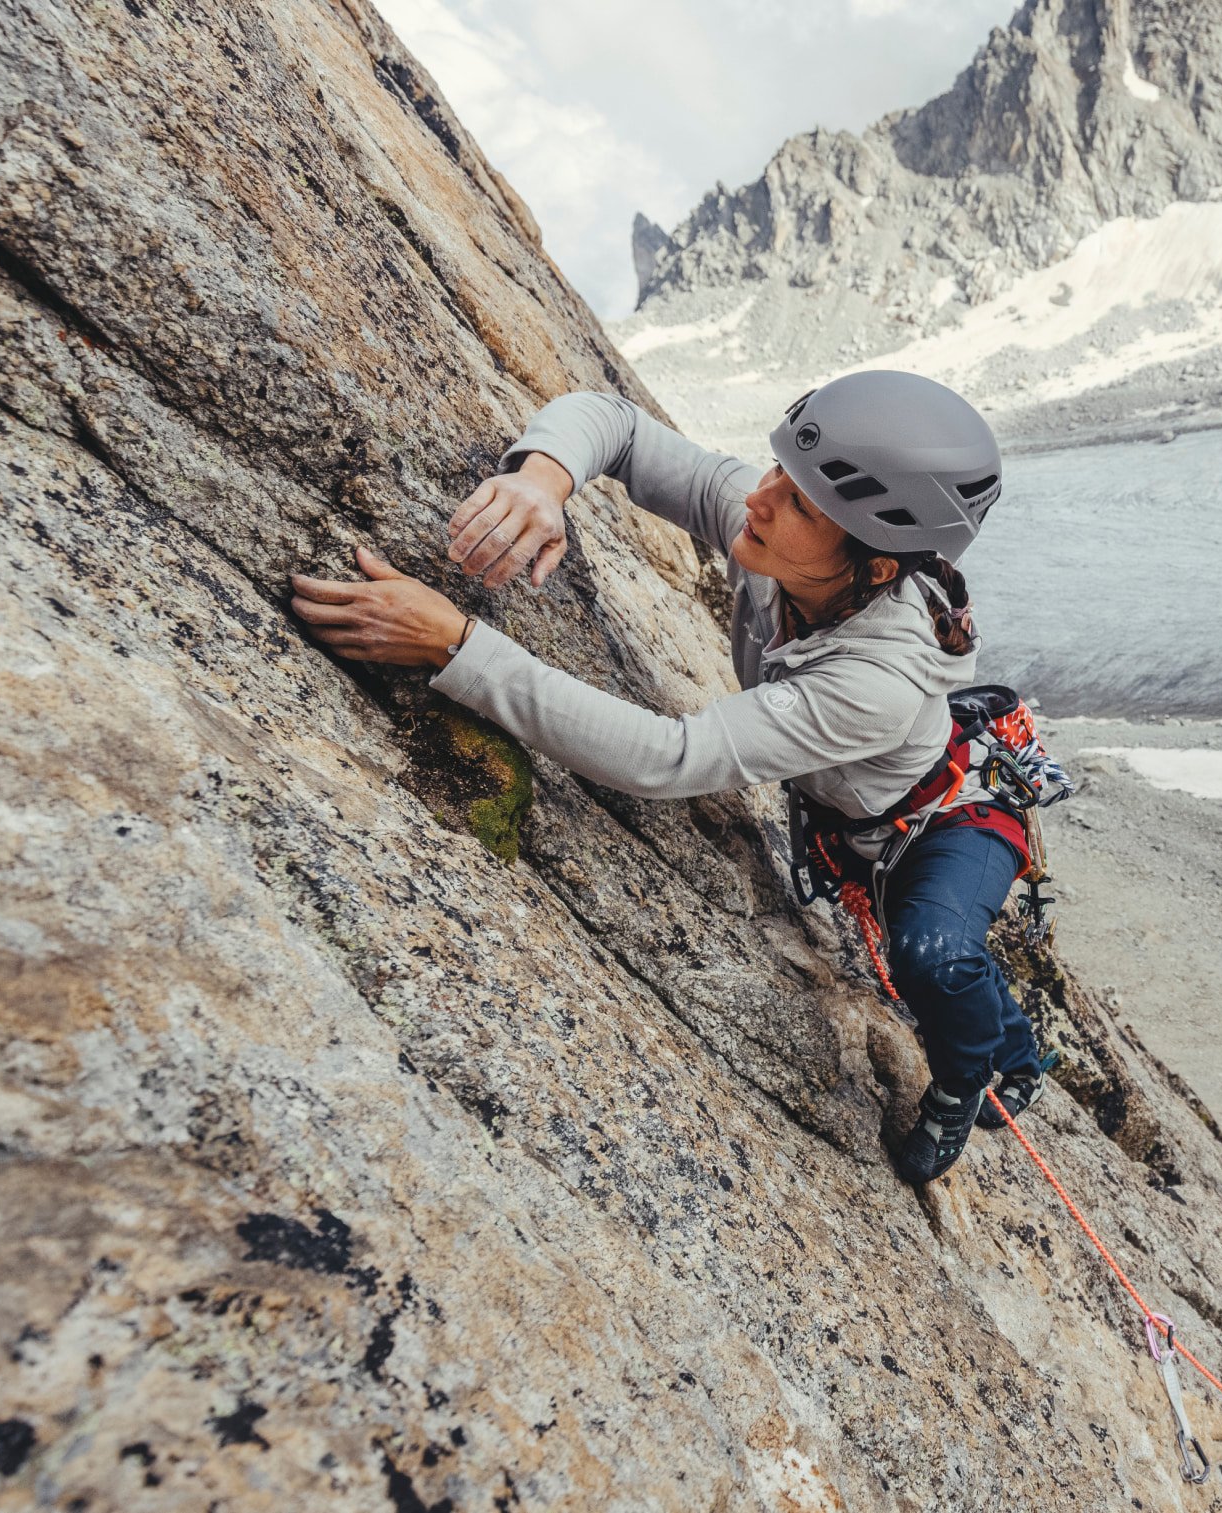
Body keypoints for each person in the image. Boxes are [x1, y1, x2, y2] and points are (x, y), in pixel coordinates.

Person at [288, 371, 1043, 1184]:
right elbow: (618, 426)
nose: (760, 499)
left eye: (801, 505)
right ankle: (1017, 1047)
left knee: (932, 954)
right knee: (939, 954)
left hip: (941, 824)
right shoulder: (784, 541)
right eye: (778, 471)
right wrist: (541, 480)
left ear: (877, 569)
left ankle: (972, 1079)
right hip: (864, 817)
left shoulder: (876, 680)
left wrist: (457, 648)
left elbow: (666, 757)